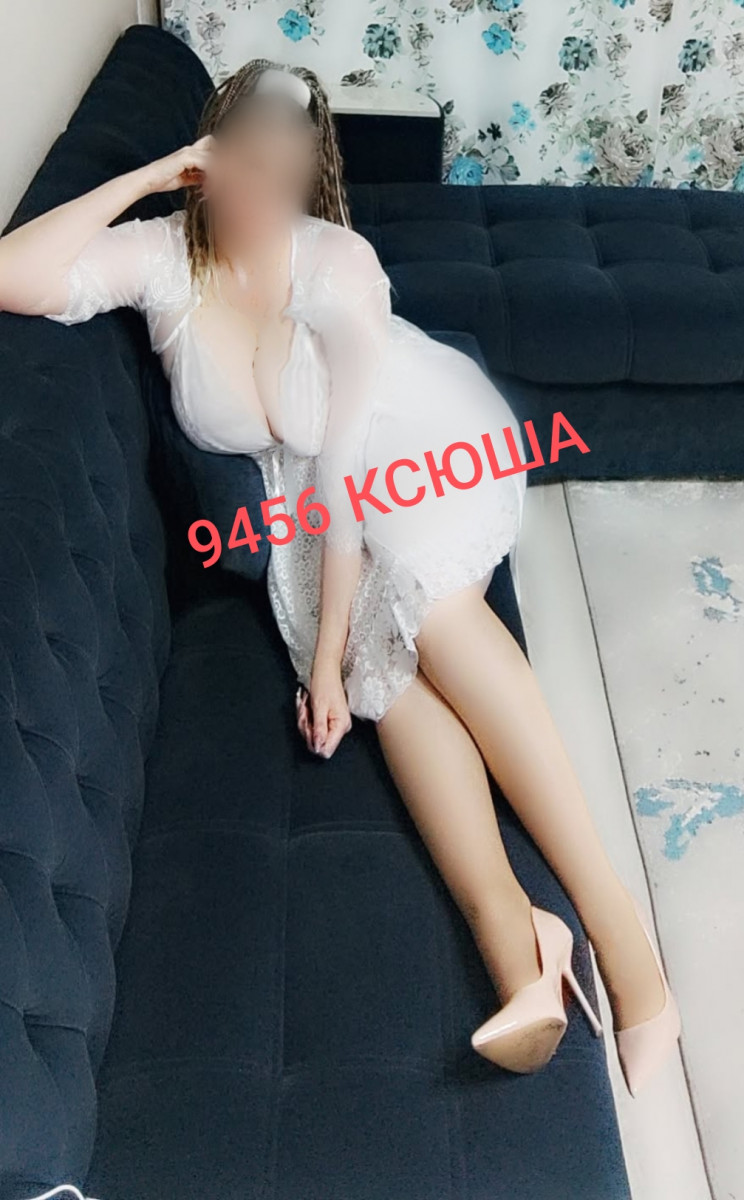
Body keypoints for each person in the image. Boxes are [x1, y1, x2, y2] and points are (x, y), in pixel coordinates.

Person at [0, 58, 681, 1092]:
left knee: (415, 612)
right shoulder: (162, 255)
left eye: (280, 175)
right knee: (381, 675)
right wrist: (148, 179)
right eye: (238, 166)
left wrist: (321, 659)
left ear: (308, 176)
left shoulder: (339, 265)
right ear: (207, 158)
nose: (256, 197)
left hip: (416, 445)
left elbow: (348, 475)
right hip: (311, 501)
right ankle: (520, 946)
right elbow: (15, 273)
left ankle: (625, 944)